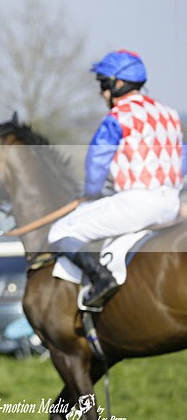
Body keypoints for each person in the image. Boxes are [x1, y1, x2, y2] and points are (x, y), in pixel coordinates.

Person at [48, 49, 184, 309]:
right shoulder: (170, 114)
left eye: (103, 83)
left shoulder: (117, 117)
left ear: (118, 83)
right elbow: (182, 158)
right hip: (171, 203)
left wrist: (91, 191)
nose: (101, 91)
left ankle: (102, 280)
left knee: (61, 230)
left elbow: (97, 161)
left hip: (135, 203)